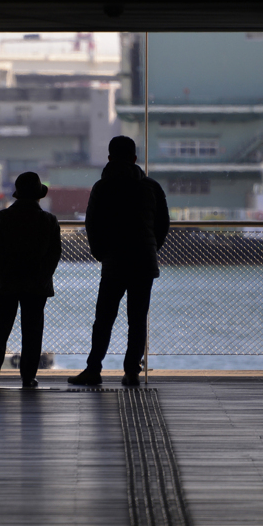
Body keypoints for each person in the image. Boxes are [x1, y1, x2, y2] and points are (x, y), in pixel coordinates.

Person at [69, 136, 169, 387]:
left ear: (110, 158)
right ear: (135, 159)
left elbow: (92, 224)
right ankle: (132, 371)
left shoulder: (102, 187)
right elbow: (162, 225)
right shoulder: (151, 187)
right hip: (144, 261)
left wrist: (101, 253)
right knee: (137, 320)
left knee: (104, 318)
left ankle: (93, 370)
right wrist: (151, 247)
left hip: (114, 261)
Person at [0, 172, 62, 388]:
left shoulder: (3, 217)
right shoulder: (49, 220)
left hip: (4, 284)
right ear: (39, 196)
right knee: (32, 332)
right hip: (36, 285)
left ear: (17, 194)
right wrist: (43, 279)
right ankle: (28, 377)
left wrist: (1, 279)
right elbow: (54, 255)